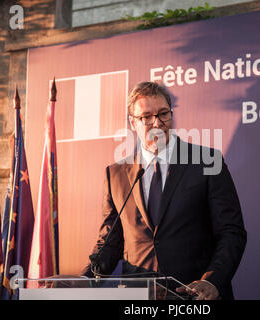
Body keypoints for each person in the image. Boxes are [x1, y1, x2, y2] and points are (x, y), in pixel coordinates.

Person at [83, 81, 246, 300]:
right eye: (146, 117)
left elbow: (231, 232)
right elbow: (110, 241)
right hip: (139, 297)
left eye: (163, 114)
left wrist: (211, 280)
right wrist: (83, 280)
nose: (157, 123)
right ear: (133, 122)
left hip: (195, 296)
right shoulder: (115, 175)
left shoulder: (207, 162)